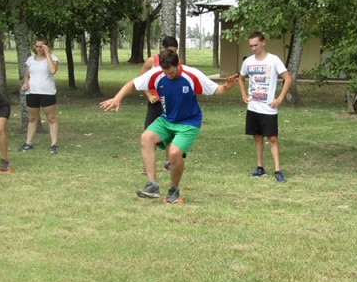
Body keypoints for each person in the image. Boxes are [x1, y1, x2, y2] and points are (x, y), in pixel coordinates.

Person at [99, 49, 239, 203]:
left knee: (173, 154)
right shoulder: (158, 73)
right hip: (166, 120)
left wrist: (227, 87)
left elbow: (216, 90)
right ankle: (151, 185)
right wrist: (117, 98)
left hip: (188, 122)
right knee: (146, 138)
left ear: (177, 64)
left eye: (171, 73)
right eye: (166, 73)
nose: (168, 76)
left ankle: (174, 190)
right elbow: (133, 83)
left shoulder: (191, 75)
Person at [238, 32, 292, 182]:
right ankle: (260, 168)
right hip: (253, 107)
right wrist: (244, 94)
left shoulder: (273, 60)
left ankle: (277, 170)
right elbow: (241, 78)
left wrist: (279, 98)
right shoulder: (248, 62)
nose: (253, 48)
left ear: (263, 43)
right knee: (257, 137)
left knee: (272, 138)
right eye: (251, 46)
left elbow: (287, 79)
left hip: (268, 108)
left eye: (256, 45)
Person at [136, 36, 180, 171]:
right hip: (155, 103)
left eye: (174, 51)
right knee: (149, 133)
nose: (171, 54)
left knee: (171, 134)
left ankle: (169, 163)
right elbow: (140, 79)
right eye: (169, 50)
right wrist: (149, 94)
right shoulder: (152, 61)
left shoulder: (177, 61)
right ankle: (147, 166)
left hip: (170, 103)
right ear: (162, 48)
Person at [18, 35, 59, 154]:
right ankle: (28, 142)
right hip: (32, 92)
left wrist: (47, 54)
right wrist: (25, 83)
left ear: (47, 46)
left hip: (47, 92)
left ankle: (54, 144)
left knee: (51, 118)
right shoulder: (31, 60)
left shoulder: (53, 58)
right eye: (37, 46)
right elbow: (27, 75)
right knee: (32, 118)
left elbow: (52, 71)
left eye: (42, 47)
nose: (39, 49)